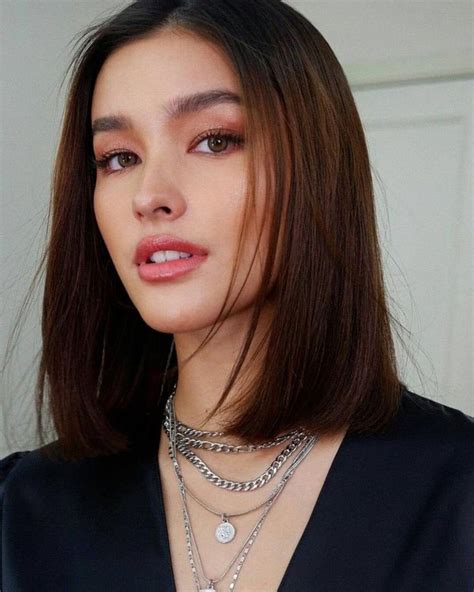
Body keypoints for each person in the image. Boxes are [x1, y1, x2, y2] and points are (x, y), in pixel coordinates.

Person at [1, 1, 472, 591]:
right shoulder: (21, 511)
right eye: (119, 158)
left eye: (214, 141)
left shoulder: (458, 492)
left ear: (317, 168)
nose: (150, 195)